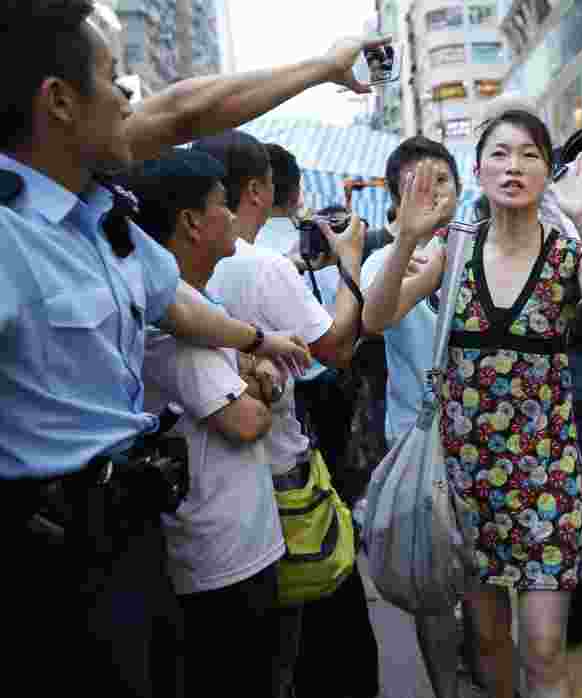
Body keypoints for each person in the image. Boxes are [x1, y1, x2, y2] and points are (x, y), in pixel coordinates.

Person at [0, 3, 406, 695]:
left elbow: (178, 301)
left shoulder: (101, 219)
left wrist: (256, 340)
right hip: (49, 564)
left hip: (134, 542)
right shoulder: (11, 233)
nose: (130, 97)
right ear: (60, 102)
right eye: (111, 78)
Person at [364, 109, 582, 698]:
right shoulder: (454, 249)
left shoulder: (567, 252)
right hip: (465, 478)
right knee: (489, 645)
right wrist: (408, 236)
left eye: (530, 155)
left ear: (548, 172)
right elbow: (376, 316)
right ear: (479, 168)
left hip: (547, 477)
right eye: (500, 153)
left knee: (543, 650)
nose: (513, 166)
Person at [194, 130, 368, 698]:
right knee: (328, 653)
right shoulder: (263, 266)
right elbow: (337, 347)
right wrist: (349, 264)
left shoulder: (174, 263)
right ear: (256, 190)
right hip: (280, 488)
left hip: (204, 502)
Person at [121, 149, 286, 696]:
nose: (236, 217)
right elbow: (244, 419)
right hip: (217, 560)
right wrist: (266, 383)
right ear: (192, 223)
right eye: (223, 206)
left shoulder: (203, 308)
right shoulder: (175, 326)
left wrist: (259, 376)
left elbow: (254, 373)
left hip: (242, 544)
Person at [362, 135, 466, 698]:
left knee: (482, 583)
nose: (433, 195)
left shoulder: (483, 247)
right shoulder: (385, 260)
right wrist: (409, 244)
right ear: (395, 197)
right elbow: (374, 320)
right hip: (417, 443)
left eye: (441, 182)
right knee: (432, 580)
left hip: (483, 440)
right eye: (417, 186)